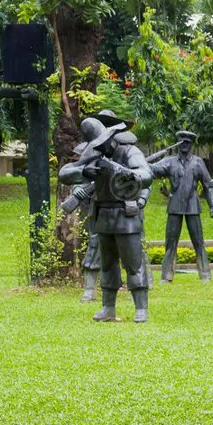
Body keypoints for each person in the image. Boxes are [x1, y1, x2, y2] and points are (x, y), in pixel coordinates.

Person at [58, 117, 153, 322]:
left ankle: (141, 308)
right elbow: (64, 173)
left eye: (103, 143)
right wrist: (84, 171)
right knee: (108, 265)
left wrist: (127, 173)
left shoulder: (129, 152)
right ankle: (108, 307)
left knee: (133, 264)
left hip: (126, 215)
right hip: (103, 216)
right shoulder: (95, 155)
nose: (101, 148)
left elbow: (146, 175)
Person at [150, 130, 213, 283]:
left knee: (198, 241)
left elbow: (209, 185)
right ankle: (167, 276)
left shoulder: (198, 162)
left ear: (192, 144)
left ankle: (205, 274)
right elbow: (153, 169)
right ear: (178, 143)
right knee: (170, 242)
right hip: (174, 206)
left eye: (188, 142)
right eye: (182, 141)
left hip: (193, 206)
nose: (185, 144)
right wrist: (142, 161)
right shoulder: (169, 161)